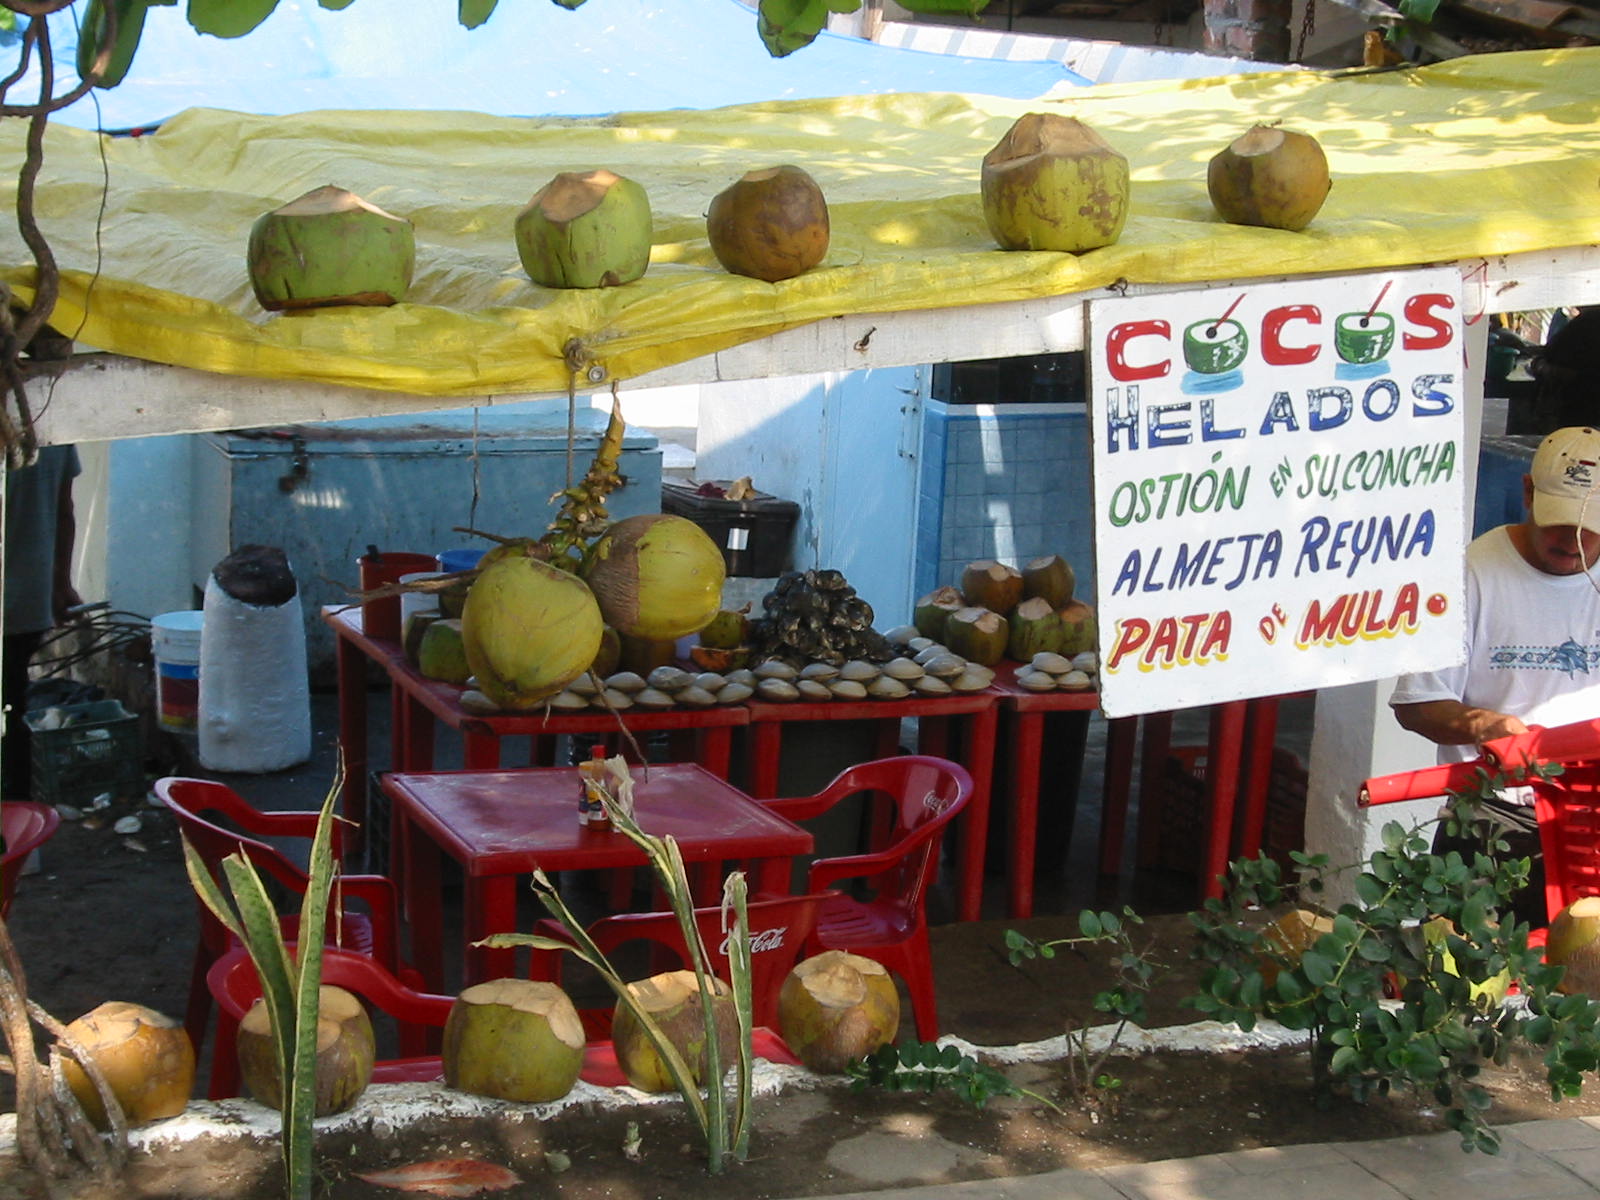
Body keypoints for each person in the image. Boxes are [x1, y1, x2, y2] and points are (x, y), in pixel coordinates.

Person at [1390, 426, 1600, 927]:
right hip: (1490, 816)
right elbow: (1417, 702)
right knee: (1467, 983)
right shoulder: (1468, 575)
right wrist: (1483, 726)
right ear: (1528, 493)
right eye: (1558, 522)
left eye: (1589, 527)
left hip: (1588, 816)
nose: (1571, 541)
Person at [3, 444, 81, 800]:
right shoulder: (57, 425)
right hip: (27, 602)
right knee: (13, 706)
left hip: (23, 602)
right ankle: (18, 813)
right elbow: (64, 512)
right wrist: (61, 584)